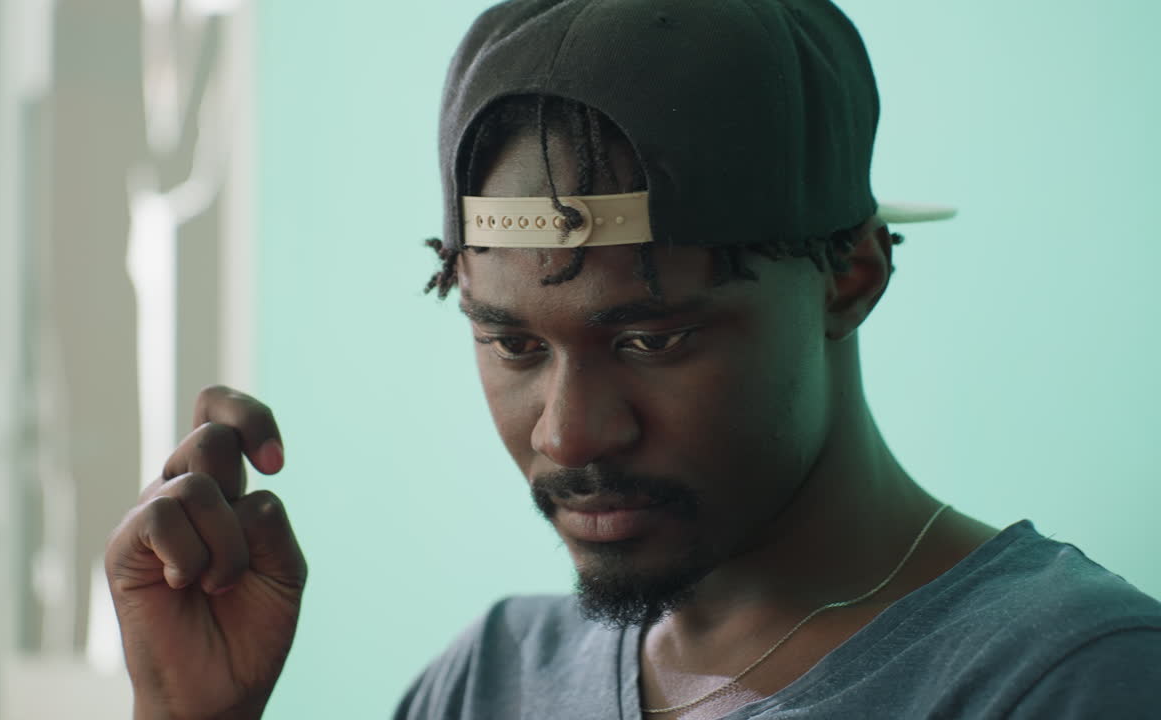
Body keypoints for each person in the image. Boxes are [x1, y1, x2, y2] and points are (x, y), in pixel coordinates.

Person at [103, 1, 1161, 718]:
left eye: (651, 338)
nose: (567, 432)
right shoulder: (487, 683)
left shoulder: (1070, 682)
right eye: (511, 341)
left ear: (849, 274)